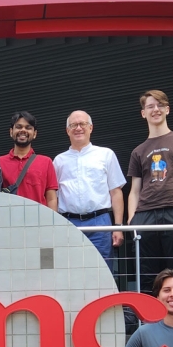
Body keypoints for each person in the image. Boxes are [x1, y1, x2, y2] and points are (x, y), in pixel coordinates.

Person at [127, 90, 173, 292]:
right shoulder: (138, 151)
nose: (155, 109)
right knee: (146, 275)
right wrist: (132, 221)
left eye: (159, 105)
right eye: (150, 106)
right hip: (144, 215)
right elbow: (134, 190)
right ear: (143, 113)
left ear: (167, 109)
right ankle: (148, 322)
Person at [53, 110, 126, 263]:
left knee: (103, 272)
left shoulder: (106, 154)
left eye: (83, 124)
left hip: (100, 222)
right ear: (67, 131)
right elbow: (54, 197)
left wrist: (118, 227)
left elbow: (116, 192)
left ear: (91, 128)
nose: (78, 128)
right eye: (73, 125)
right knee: (71, 271)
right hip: (69, 223)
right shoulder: (58, 161)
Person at [0, 111, 59, 210]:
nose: (23, 130)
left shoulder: (46, 162)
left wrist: (53, 224)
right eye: (18, 127)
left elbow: (51, 198)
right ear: (11, 132)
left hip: (39, 221)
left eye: (28, 127)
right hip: (9, 221)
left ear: (34, 134)